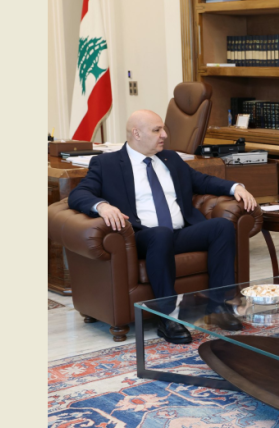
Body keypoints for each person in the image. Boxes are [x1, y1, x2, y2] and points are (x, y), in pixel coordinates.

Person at [68, 110, 257, 344]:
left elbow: (202, 181)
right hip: (142, 237)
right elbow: (78, 194)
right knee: (160, 234)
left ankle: (219, 306)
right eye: (157, 130)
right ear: (136, 134)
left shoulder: (170, 159)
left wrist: (235, 187)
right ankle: (167, 317)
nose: (164, 135)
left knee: (221, 227)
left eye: (163, 129)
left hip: (178, 233)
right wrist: (102, 206)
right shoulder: (107, 164)